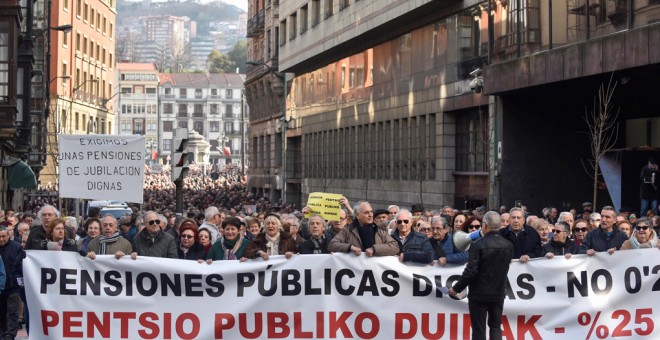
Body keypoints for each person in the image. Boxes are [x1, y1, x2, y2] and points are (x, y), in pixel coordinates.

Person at [449, 211, 514, 340]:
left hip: (478, 294)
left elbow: (470, 271)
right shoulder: (509, 245)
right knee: (495, 326)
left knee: (479, 330)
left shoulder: (478, 245)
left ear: (484, 225)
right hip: (498, 293)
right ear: (500, 225)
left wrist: (456, 288)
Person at [328, 201, 399, 257]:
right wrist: (350, 247)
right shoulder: (348, 230)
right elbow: (332, 245)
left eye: (371, 212)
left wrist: (374, 249)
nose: (370, 215)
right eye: (366, 213)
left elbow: (395, 246)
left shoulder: (380, 230)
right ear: (357, 215)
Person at [0, 225, 21, 340]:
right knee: (2, 312)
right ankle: (3, 332)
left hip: (13, 286)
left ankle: (10, 335)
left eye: (4, 236)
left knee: (12, 312)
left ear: (8, 235)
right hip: (1, 287)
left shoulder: (16, 247)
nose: (2, 239)